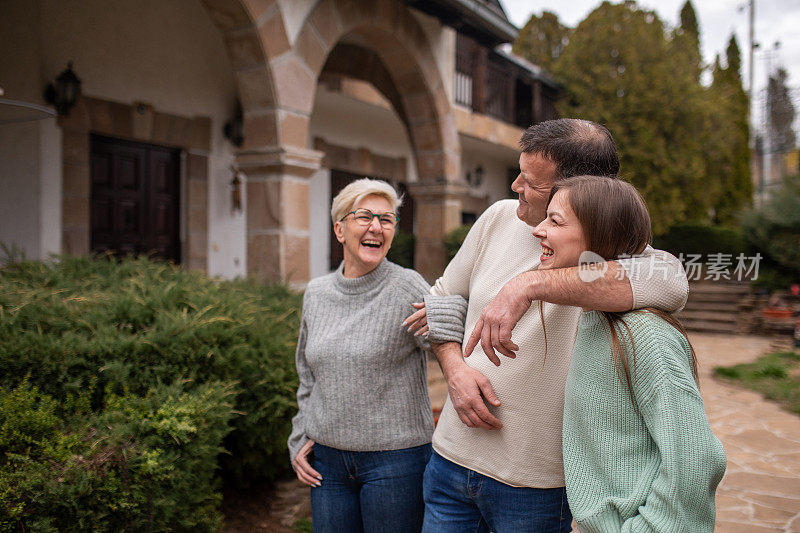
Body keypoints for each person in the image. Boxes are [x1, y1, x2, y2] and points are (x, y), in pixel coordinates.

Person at [410, 119, 689, 532]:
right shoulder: (499, 218)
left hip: (536, 486)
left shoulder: (614, 254)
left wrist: (529, 284)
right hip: (450, 459)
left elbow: (671, 282)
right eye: (519, 170)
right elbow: (441, 298)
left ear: (580, 190)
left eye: (533, 182)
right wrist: (454, 369)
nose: (515, 185)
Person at [524, 175, 724, 531]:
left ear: (599, 236)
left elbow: (696, 459)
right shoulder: (592, 318)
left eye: (554, 221)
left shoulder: (645, 335)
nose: (538, 230)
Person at [288, 178, 465, 533]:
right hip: (328, 463)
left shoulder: (406, 286)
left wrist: (450, 311)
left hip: (395, 464)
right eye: (364, 216)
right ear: (340, 229)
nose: (376, 227)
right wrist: (299, 434)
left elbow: (452, 334)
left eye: (386, 220)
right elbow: (307, 374)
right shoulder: (317, 293)